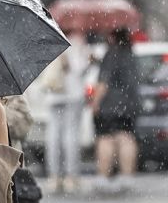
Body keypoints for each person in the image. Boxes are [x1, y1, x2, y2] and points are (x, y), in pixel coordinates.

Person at [90, 27, 141, 192]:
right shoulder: (130, 53)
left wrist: (95, 103)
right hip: (129, 105)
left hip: (109, 105)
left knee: (105, 139)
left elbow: (104, 82)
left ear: (112, 36)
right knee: (126, 138)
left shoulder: (111, 53)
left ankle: (103, 177)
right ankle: (127, 177)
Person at [41, 30, 91, 193]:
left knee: (53, 135)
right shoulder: (76, 43)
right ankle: (71, 176)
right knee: (71, 136)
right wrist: (88, 59)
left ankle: (54, 176)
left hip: (54, 95)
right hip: (72, 95)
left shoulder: (50, 39)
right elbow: (78, 69)